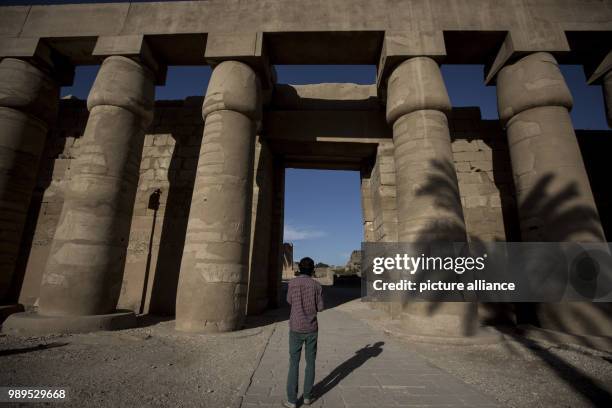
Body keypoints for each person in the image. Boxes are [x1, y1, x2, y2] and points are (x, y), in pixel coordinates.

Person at [284, 257, 324, 408]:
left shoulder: (292, 284)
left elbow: (289, 301)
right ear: (312, 269)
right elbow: (320, 308)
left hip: (295, 326)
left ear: (300, 268)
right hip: (311, 328)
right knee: (310, 362)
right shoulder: (317, 286)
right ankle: (307, 396)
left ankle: (292, 400)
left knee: (294, 363)